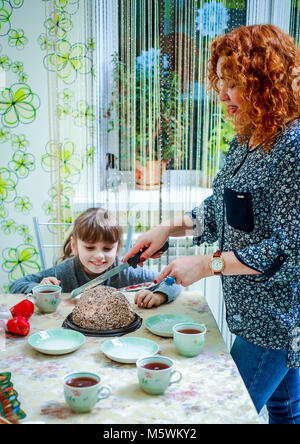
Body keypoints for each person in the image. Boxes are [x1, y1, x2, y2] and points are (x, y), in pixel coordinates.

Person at [123, 24, 300, 424]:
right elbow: (222, 209)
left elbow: (289, 251)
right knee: (287, 411)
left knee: (225, 415)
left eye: (233, 83)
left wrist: (206, 265)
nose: (221, 95)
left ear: (265, 83)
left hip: (273, 322)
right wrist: (169, 227)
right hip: (250, 314)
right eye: (221, 82)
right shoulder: (249, 138)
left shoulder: (292, 147)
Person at [10, 207, 182, 308]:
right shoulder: (64, 271)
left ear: (117, 249)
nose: (99, 255)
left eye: (107, 248)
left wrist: (159, 295)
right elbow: (17, 285)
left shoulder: (125, 271)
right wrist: (40, 287)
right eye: (90, 247)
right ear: (75, 246)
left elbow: (173, 281)